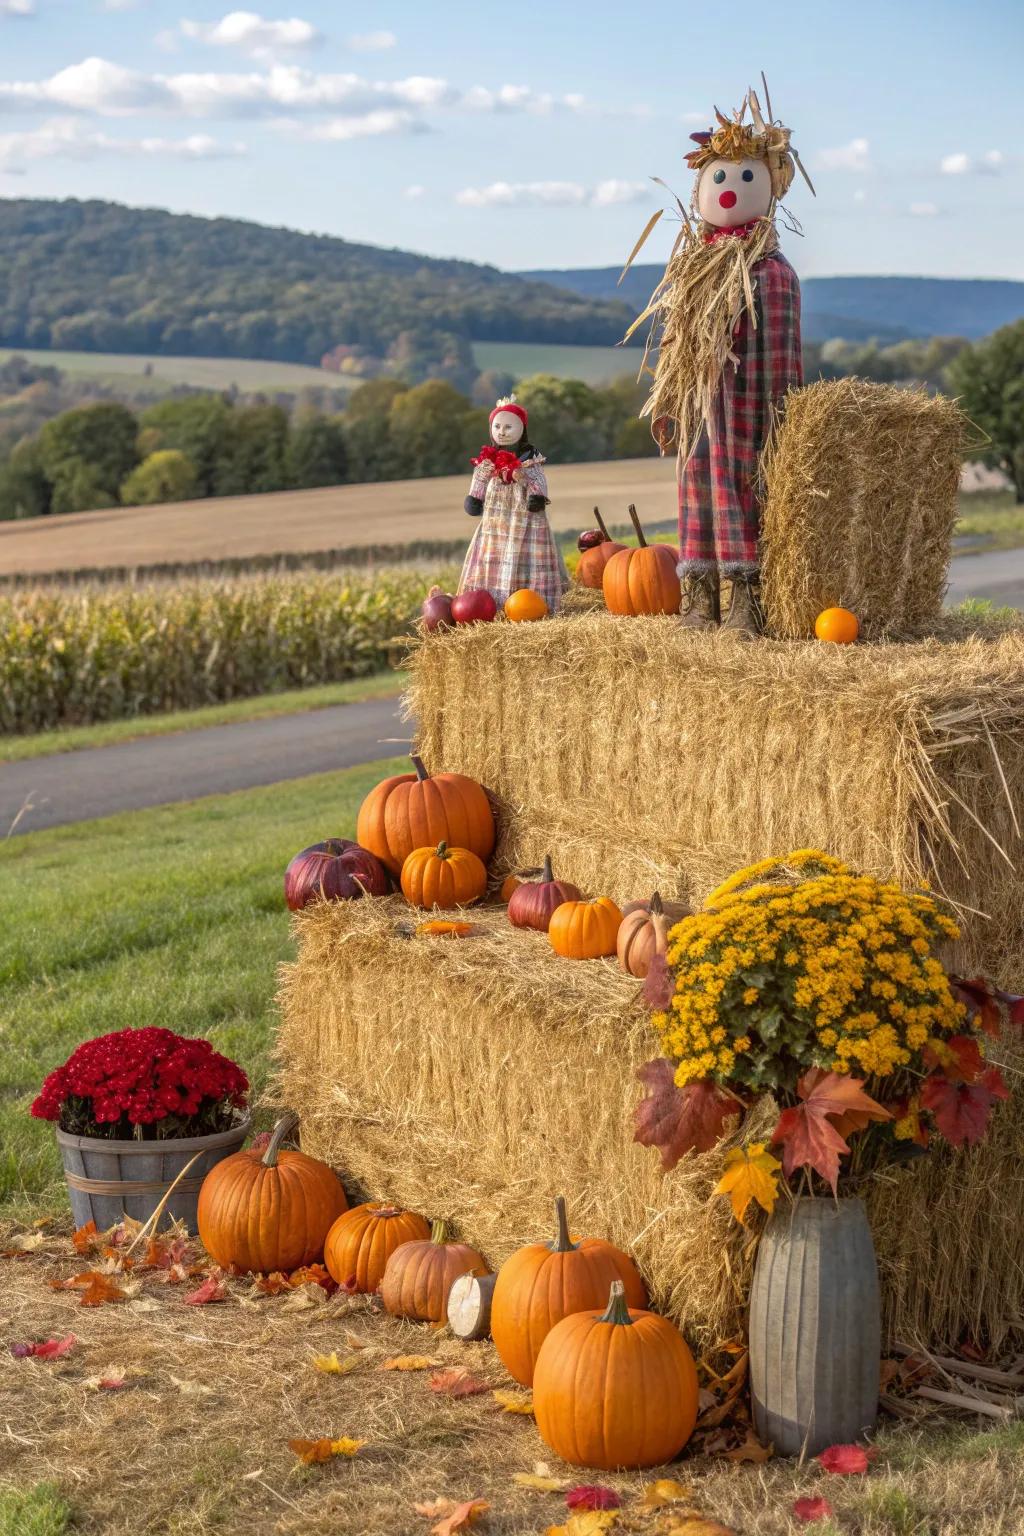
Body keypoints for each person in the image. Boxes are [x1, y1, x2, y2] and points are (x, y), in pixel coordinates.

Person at [633, 87, 814, 636]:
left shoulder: (772, 273)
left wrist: (782, 421)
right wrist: (668, 397)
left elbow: (781, 360)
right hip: (699, 405)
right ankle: (700, 593)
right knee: (696, 487)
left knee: (742, 490)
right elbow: (676, 343)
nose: (731, 191)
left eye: (744, 179)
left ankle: (746, 600)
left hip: (747, 404)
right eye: (720, 179)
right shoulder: (693, 267)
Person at [458, 395, 568, 612]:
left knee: (528, 558)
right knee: (494, 555)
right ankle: (493, 602)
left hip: (525, 518)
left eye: (509, 426)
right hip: (496, 520)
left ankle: (532, 603)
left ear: (521, 429)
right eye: (497, 426)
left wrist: (533, 493)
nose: (502, 431)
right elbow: (479, 478)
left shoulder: (529, 460)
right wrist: (474, 498)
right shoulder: (487, 460)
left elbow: (538, 480)